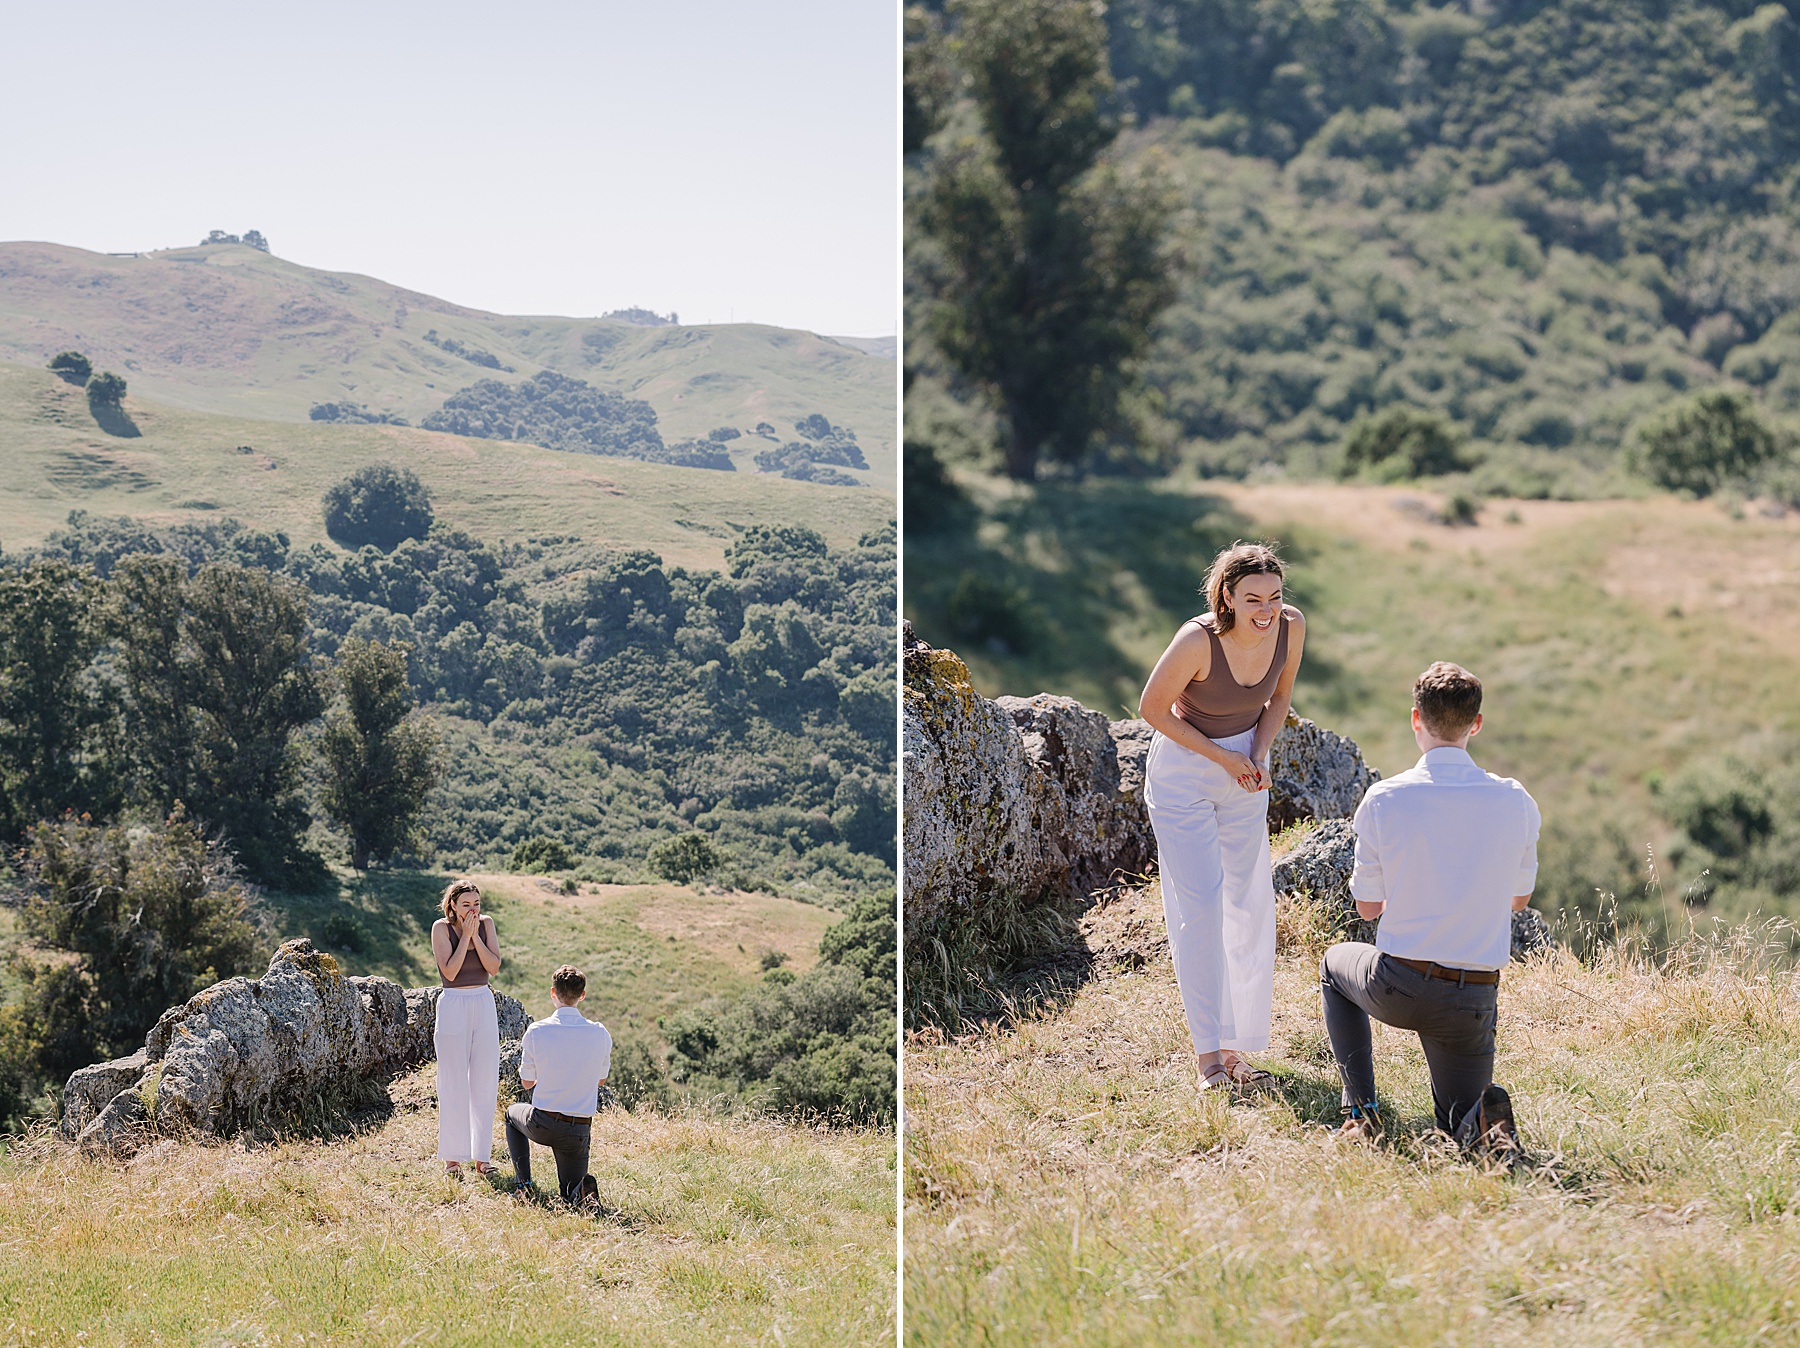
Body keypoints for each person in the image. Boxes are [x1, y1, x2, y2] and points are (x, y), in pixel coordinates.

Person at [1320, 661, 1539, 1154]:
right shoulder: (1516, 801)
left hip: (1401, 983)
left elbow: (1369, 908)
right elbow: (1519, 900)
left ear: (1416, 719)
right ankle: (1479, 1129)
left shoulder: (1384, 799)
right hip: (1472, 996)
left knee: (1334, 966)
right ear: (1476, 724)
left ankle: (1361, 1113)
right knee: (1458, 1120)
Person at [1139, 541, 1305, 1093]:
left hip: (1243, 768)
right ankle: (1209, 1057)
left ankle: (1237, 1046)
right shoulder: (1197, 639)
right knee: (1202, 906)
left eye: (1275, 597)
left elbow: (1279, 697)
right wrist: (1224, 758)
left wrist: (1257, 756)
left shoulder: (1291, 627)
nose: (1266, 611)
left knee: (1249, 903)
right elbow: (1151, 710)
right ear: (1228, 597)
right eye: (1253, 598)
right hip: (1186, 772)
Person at [505, 964, 613, 1208]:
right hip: (578, 1130)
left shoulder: (537, 1031)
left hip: (543, 1122)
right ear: (582, 995)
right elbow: (600, 1080)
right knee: (568, 1194)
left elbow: (527, 1082)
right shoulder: (600, 1033)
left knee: (512, 1115)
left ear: (553, 993)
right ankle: (580, 1194)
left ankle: (524, 1186)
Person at [432, 878, 503, 1176]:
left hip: (482, 1003)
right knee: (453, 1080)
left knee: (485, 1079)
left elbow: (493, 967)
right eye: (466, 905)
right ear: (453, 906)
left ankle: (481, 1158)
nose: (473, 910)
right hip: (453, 1004)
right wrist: (464, 938)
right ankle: (452, 1158)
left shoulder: (486, 925)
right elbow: (449, 970)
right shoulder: (441, 928)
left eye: (476, 904)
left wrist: (475, 937)